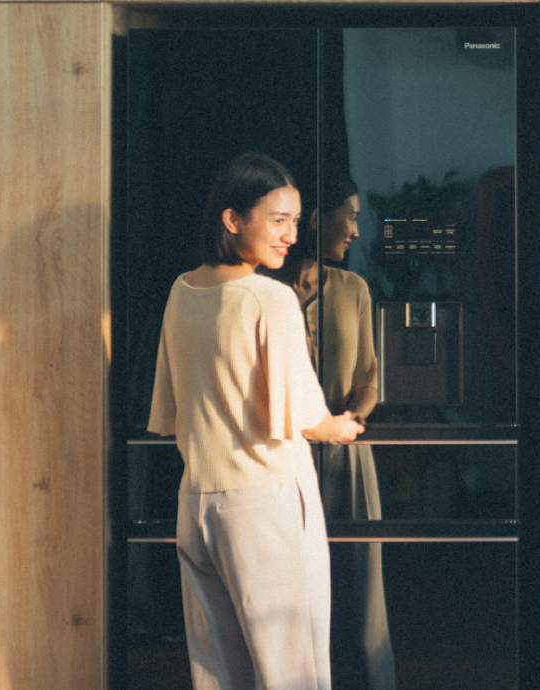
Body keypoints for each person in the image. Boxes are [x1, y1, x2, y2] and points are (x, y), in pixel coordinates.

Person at [149, 152, 364, 690]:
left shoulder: (182, 291)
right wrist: (339, 427)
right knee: (294, 671)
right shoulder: (270, 297)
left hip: (197, 504)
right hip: (265, 502)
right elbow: (309, 416)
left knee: (219, 675)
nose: (291, 235)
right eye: (277, 220)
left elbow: (172, 408)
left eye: (294, 220)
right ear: (232, 219)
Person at [266, 177, 395, 690]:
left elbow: (370, 378)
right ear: (318, 219)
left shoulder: (354, 290)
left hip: (345, 450)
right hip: (280, 453)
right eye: (351, 216)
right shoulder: (264, 293)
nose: (357, 231)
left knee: (359, 577)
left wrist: (348, 426)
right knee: (287, 579)